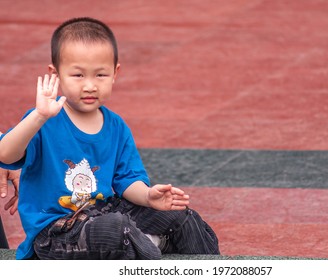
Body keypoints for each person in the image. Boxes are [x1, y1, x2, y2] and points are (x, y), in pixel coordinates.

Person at [0, 17, 219, 260]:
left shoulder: (116, 125)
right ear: (56, 74)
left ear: (115, 73)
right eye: (78, 75)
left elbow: (127, 180)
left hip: (104, 212)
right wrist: (39, 116)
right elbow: (5, 154)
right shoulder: (43, 120)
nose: (90, 85)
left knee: (180, 216)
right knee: (116, 229)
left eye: (101, 75)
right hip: (58, 231)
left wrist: (148, 196)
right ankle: (146, 246)